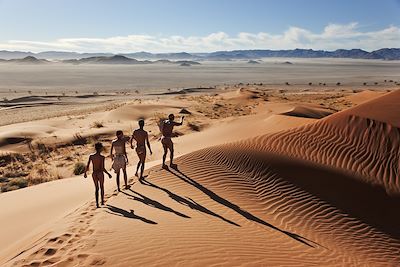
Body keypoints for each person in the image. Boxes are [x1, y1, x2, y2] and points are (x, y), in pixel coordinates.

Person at [84, 142, 112, 208]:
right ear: (100, 148)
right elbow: (102, 168)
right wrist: (108, 174)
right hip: (100, 173)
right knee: (102, 187)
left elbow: (87, 165)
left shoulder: (91, 156)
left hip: (94, 174)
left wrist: (85, 173)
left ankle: (97, 204)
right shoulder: (102, 157)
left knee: (96, 188)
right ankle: (102, 201)